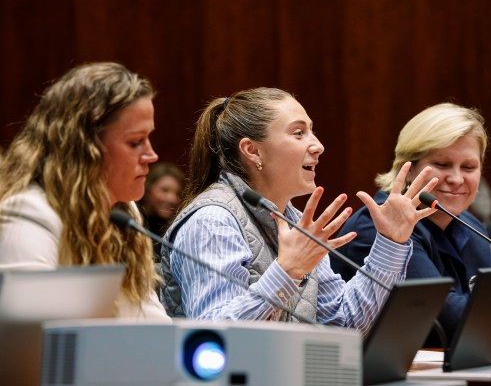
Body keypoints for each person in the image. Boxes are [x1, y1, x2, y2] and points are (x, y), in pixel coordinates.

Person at [159, 87, 438, 334]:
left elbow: (344, 324)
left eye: (312, 131)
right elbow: (215, 338)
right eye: (299, 133)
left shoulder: (293, 221)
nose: (318, 145)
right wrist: (287, 271)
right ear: (253, 151)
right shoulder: (211, 221)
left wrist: (390, 242)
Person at [331, 103, 491, 349]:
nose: (457, 179)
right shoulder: (380, 225)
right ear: (408, 169)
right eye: (442, 164)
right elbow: (447, 319)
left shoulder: (469, 224)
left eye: (469, 167)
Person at [0, 62, 168, 319]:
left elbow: (150, 321)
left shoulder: (124, 213)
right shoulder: (30, 214)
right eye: (135, 142)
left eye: (148, 138)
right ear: (85, 148)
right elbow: (28, 339)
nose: (151, 155)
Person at [138, 162, 184, 261]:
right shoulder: (131, 222)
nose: (172, 199)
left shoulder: (176, 232)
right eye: (165, 190)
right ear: (148, 189)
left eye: (178, 194)